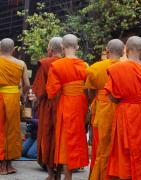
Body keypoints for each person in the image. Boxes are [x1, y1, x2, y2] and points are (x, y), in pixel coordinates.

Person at [105, 36, 141, 180]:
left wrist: (122, 102)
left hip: (123, 110)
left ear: (126, 49)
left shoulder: (116, 68)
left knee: (122, 150)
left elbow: (110, 96)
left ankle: (123, 175)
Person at [46, 34, 89, 180]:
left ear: (62, 47)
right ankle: (69, 173)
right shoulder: (85, 65)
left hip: (66, 104)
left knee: (65, 139)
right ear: (77, 47)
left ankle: (68, 176)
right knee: (77, 138)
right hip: (81, 104)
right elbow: (89, 89)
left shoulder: (57, 65)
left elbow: (51, 92)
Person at [86, 39, 124, 180]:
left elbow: (90, 92)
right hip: (120, 109)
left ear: (107, 51)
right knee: (115, 147)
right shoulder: (126, 68)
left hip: (101, 109)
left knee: (99, 146)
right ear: (123, 52)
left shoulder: (95, 67)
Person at [31, 37, 63, 180]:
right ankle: (60, 173)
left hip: (48, 105)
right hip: (65, 104)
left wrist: (35, 102)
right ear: (62, 49)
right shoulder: (69, 63)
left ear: (50, 49)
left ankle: (51, 175)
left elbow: (39, 90)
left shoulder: (44, 63)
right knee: (60, 138)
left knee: (47, 137)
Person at [0, 38, 30, 175]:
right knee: (12, 130)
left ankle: (1, 165)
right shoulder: (21, 63)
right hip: (13, 97)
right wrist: (22, 96)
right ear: (13, 50)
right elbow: (27, 85)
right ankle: (9, 165)